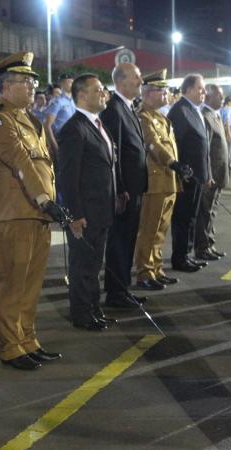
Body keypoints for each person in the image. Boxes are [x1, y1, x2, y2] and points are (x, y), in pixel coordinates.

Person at [0, 52, 65, 370]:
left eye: (32, 81)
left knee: (31, 283)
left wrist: (49, 202)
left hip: (37, 213)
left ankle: (28, 339)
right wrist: (45, 199)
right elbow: (21, 163)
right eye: (25, 81)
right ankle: (11, 346)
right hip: (13, 214)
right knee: (13, 283)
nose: (32, 86)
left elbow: (45, 168)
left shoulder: (33, 122)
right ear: (5, 87)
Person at [57, 74, 117, 331]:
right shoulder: (74, 128)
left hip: (102, 209)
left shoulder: (96, 124)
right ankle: (82, 314)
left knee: (94, 265)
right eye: (99, 90)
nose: (104, 94)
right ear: (82, 95)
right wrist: (75, 214)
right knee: (82, 266)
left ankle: (94, 308)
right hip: (86, 212)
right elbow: (68, 177)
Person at [133, 69, 189, 291]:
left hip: (168, 181)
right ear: (148, 93)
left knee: (162, 228)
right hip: (155, 182)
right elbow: (153, 144)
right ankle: (144, 271)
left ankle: (156, 268)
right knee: (149, 228)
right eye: (161, 91)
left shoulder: (161, 117)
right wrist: (173, 163)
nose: (166, 94)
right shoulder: (143, 117)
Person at [100, 62, 149, 308]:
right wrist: (120, 189)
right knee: (120, 241)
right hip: (125, 191)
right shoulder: (113, 109)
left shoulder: (127, 107)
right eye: (136, 77)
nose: (141, 82)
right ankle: (116, 292)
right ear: (120, 81)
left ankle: (122, 288)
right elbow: (114, 154)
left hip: (134, 187)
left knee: (128, 239)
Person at [167, 73, 211, 273]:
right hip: (187, 176)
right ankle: (180, 257)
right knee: (183, 218)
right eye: (201, 88)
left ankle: (187, 254)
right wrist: (182, 171)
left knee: (192, 217)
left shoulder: (193, 109)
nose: (204, 92)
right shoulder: (180, 111)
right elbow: (177, 145)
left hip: (197, 175)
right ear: (189, 89)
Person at [195, 83, 229, 261]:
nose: (222, 98)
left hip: (219, 173)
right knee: (205, 212)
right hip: (211, 174)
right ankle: (202, 247)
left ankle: (209, 242)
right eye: (219, 95)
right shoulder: (205, 116)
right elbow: (205, 150)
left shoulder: (215, 115)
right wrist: (207, 174)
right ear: (208, 97)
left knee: (211, 211)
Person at [44, 72, 75, 156]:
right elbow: (48, 126)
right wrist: (55, 146)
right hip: (62, 139)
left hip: (75, 140)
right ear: (62, 84)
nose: (72, 84)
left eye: (72, 82)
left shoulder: (75, 101)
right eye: (69, 82)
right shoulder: (57, 102)